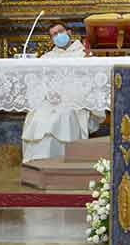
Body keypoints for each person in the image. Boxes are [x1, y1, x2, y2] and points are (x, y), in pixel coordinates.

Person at [21, 22, 103, 163]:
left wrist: (68, 94)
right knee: (38, 118)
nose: (58, 36)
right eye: (53, 34)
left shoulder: (85, 55)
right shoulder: (47, 58)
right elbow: (40, 83)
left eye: (60, 31)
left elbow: (90, 83)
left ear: (69, 33)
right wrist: (49, 94)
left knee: (59, 118)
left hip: (75, 101)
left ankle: (60, 162)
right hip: (51, 101)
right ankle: (37, 162)